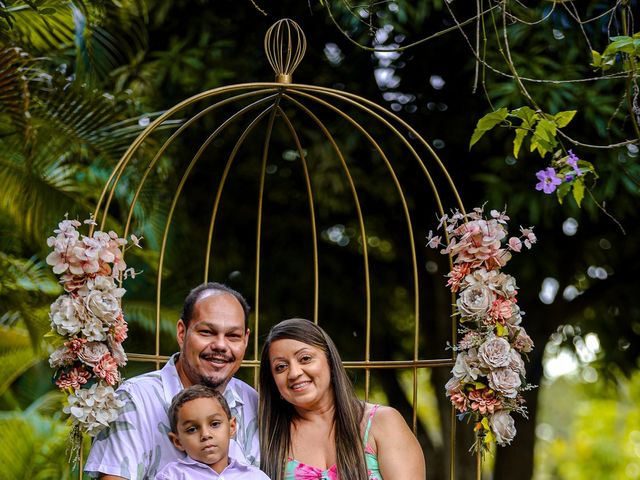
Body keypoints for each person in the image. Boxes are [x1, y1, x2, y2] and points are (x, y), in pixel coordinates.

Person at [85, 282, 259, 479]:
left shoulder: (252, 401)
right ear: (182, 333)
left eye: (233, 336)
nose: (220, 345)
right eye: (207, 332)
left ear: (245, 340)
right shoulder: (136, 399)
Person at [259, 318, 426, 480]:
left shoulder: (382, 423)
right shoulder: (268, 437)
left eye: (305, 359)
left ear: (330, 362)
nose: (294, 373)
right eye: (281, 367)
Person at [155, 385, 270, 479]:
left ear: (231, 427)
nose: (205, 435)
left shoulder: (254, 476)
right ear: (177, 441)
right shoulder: (172, 476)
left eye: (215, 424)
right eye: (192, 429)